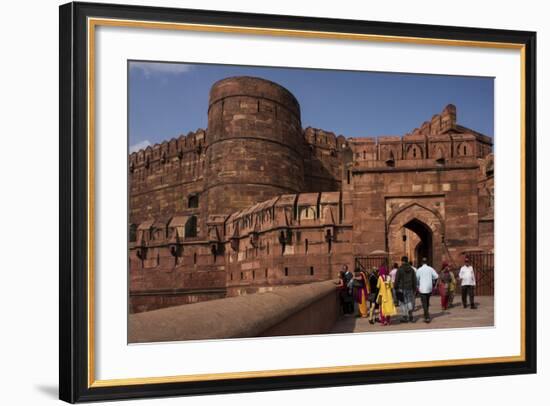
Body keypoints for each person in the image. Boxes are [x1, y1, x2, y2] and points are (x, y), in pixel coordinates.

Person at [394, 256, 417, 323]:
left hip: (401, 288)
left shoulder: (400, 269)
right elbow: (414, 279)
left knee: (402, 303)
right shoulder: (412, 269)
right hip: (410, 288)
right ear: (407, 261)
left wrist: (395, 287)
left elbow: (397, 279)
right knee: (409, 301)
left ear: (402, 261)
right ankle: (411, 315)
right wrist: (414, 288)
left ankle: (405, 317)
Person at [416, 257, 439, 323]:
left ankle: (427, 316)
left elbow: (417, 279)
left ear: (421, 262)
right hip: (429, 288)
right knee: (427, 302)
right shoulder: (430, 269)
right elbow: (436, 276)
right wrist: (432, 280)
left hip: (422, 288)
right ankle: (426, 314)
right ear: (427, 262)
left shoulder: (419, 270)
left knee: (424, 303)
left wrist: (417, 285)